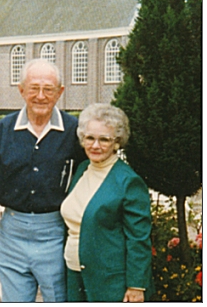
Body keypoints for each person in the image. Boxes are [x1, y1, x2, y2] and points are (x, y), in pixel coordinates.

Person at [0, 59, 86, 302]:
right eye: (34, 88)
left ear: (60, 92)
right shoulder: (3, 129)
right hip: (11, 233)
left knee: (58, 300)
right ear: (21, 90)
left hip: (55, 233)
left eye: (49, 89)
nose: (41, 96)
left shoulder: (75, 131)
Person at [60, 103, 154, 302]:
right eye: (90, 138)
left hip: (109, 282)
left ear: (117, 143)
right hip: (74, 274)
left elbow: (138, 238)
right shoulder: (83, 169)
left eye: (104, 139)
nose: (95, 145)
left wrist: (136, 285)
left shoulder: (128, 181)